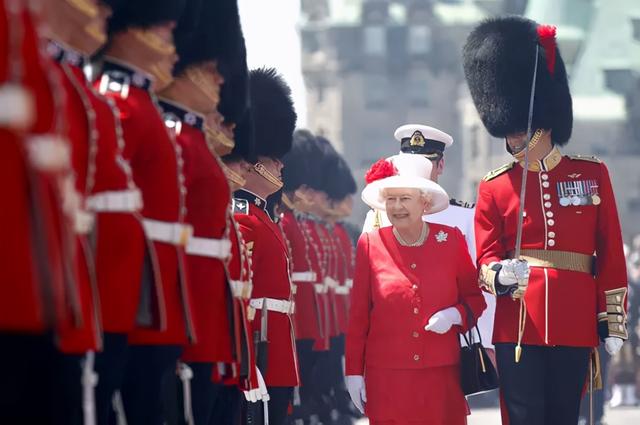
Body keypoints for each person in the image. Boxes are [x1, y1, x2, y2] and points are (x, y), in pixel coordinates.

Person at [463, 16, 628, 424]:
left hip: (575, 320)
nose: (514, 139)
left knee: (564, 417)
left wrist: (612, 319)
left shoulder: (591, 174)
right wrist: (496, 276)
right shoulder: (495, 186)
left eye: (521, 131)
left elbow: (608, 250)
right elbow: (483, 258)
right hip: (518, 323)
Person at [346, 153, 486, 424]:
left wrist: (454, 316)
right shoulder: (370, 244)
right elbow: (358, 316)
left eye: (405, 199)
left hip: (440, 376)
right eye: (391, 199)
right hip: (387, 377)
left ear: (425, 202)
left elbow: (474, 299)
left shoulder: (451, 240)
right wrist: (354, 372)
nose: (397, 207)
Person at [362, 124, 496, 366]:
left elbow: (479, 284)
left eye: (426, 163)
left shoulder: (464, 218)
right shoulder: (378, 216)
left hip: (448, 337)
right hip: (393, 336)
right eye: (408, 163)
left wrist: (485, 342)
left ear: (440, 166)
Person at [233, 67, 299, 425]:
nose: (280, 164)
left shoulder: (262, 216)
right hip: (260, 353)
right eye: (274, 158)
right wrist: (247, 362)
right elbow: (239, 295)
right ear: (255, 162)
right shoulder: (243, 215)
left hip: (276, 352)